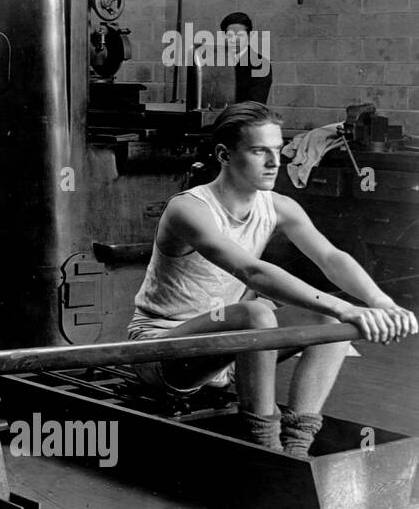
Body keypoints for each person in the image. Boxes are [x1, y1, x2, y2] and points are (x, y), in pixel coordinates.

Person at [128, 101, 417, 456]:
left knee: (326, 319)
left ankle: (296, 446)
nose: (274, 162)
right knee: (258, 311)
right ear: (224, 154)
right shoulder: (189, 209)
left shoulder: (278, 206)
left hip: (230, 352)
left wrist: (381, 303)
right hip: (162, 353)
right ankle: (262, 442)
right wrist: (345, 307)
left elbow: (331, 258)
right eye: (258, 151)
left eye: (277, 150)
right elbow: (253, 271)